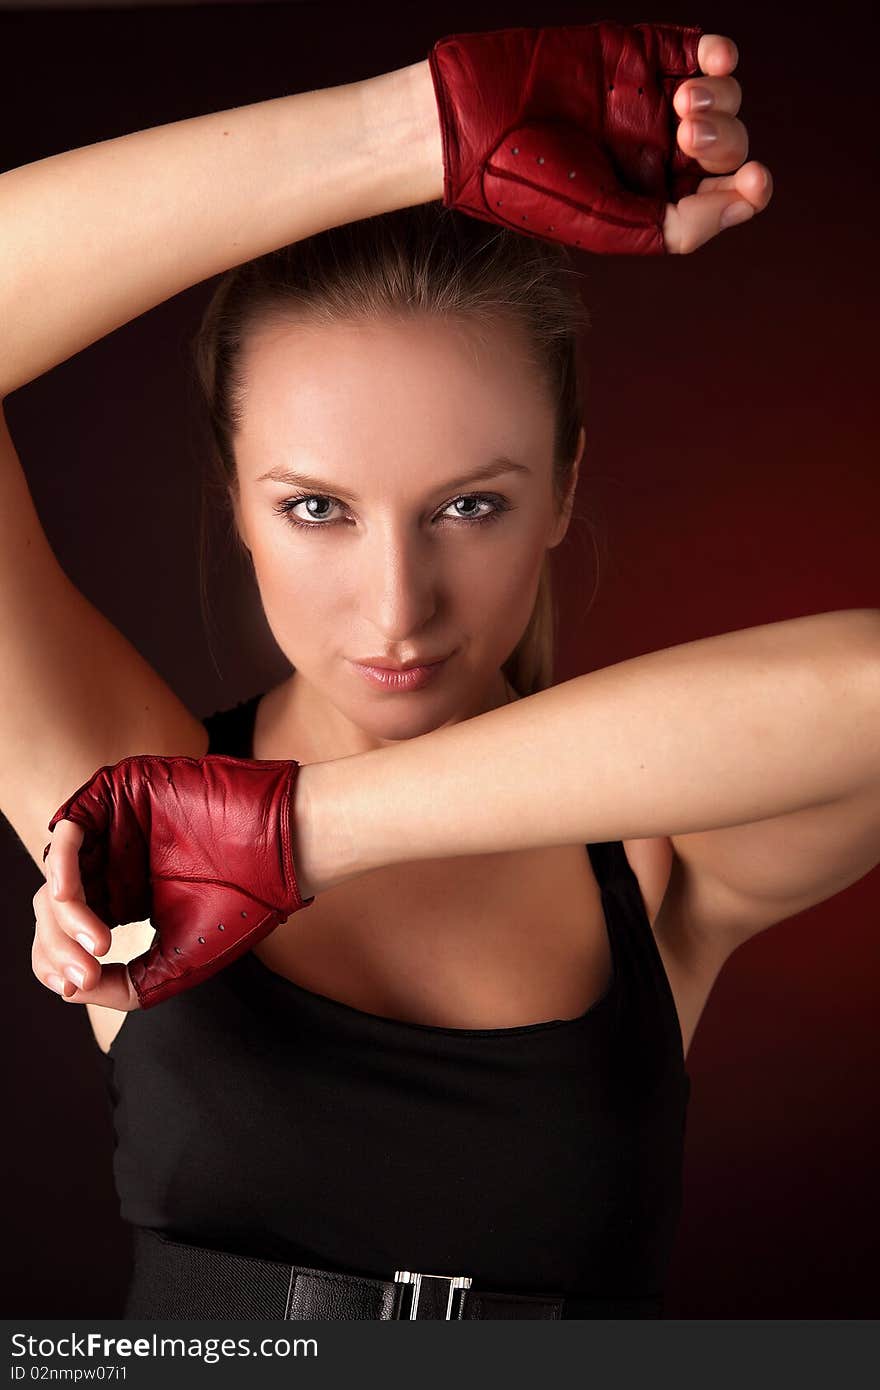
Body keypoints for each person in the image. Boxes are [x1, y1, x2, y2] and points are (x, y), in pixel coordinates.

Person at [5, 20, 877, 1319]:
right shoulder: (131, 803)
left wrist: (306, 831)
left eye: (469, 506)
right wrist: (426, 128)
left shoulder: (662, 860)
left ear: (566, 487)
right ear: (233, 499)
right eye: (315, 510)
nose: (397, 606)